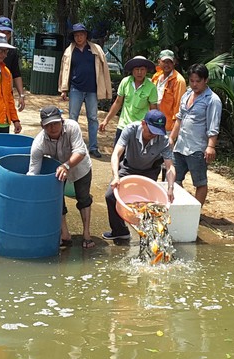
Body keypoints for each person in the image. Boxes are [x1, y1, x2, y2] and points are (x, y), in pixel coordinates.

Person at [27, 106, 95, 249]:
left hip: (81, 167)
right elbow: (33, 172)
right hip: (58, 171)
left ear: (62, 121)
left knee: (83, 199)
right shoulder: (38, 144)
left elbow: (80, 151)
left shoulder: (72, 127)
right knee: (57, 201)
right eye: (48, 125)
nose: (53, 127)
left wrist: (66, 166)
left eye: (55, 123)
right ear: (42, 126)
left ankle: (87, 234)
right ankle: (65, 234)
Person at [103, 110, 176, 240]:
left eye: (157, 132)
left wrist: (170, 188)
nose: (154, 135)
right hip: (128, 167)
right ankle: (119, 231)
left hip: (149, 172)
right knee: (110, 195)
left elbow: (170, 167)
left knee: (148, 205)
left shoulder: (164, 141)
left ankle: (148, 237)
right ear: (143, 124)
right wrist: (116, 176)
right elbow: (116, 154)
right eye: (151, 131)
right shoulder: (130, 130)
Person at [169, 63, 222, 206]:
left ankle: (196, 212)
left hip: (197, 148)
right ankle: (177, 208)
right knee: (174, 178)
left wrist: (211, 147)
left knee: (199, 182)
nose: (194, 84)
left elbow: (213, 125)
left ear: (206, 80)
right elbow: (179, 119)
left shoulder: (212, 100)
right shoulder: (186, 95)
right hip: (180, 146)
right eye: (191, 81)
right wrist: (171, 139)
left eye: (198, 81)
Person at [58, 23, 112, 158]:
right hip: (75, 88)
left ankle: (93, 147)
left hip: (92, 89)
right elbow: (64, 71)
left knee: (93, 118)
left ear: (86, 35)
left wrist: (105, 89)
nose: (79, 37)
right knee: (72, 118)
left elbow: (104, 71)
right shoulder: (69, 51)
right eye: (76, 35)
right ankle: (72, 146)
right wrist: (64, 89)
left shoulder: (95, 49)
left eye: (81, 34)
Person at [99, 56, 158, 145]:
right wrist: (106, 120)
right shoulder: (125, 82)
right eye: (137, 69)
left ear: (146, 71)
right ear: (132, 70)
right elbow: (118, 103)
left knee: (136, 156)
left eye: (142, 69)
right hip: (123, 125)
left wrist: (151, 128)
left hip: (140, 127)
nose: (139, 72)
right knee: (118, 153)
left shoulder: (151, 87)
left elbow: (153, 110)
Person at [151, 49, 186, 132]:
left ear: (174, 62)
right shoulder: (156, 76)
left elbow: (178, 105)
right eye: (164, 61)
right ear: (159, 61)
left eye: (169, 62)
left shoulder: (178, 80)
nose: (167, 64)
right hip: (153, 121)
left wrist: (175, 128)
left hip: (168, 126)